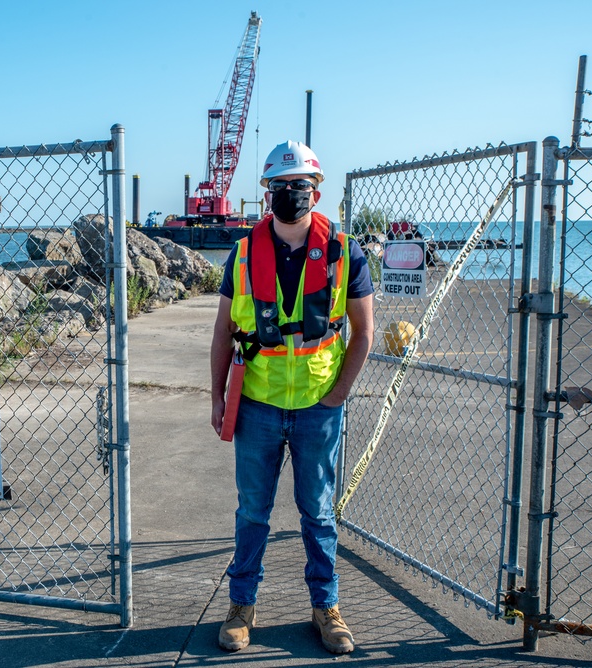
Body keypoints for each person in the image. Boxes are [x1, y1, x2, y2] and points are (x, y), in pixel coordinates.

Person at [210, 140, 375, 654]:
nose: (289, 195)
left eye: (298, 187)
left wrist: (337, 397)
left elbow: (364, 333)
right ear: (266, 193)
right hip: (256, 404)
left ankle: (326, 608)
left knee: (318, 513)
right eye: (279, 187)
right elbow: (221, 333)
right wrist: (217, 399)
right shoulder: (241, 254)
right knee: (252, 512)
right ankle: (242, 606)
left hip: (316, 409)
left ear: (316, 191)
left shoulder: (346, 253)